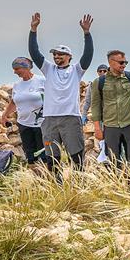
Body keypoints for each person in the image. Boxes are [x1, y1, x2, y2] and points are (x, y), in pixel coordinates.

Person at [28, 12, 94, 168]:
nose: (56, 56)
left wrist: (87, 33)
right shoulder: (48, 69)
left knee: (76, 155)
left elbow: (88, 55)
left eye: (60, 54)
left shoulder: (76, 70)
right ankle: (55, 182)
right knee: (52, 157)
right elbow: (34, 53)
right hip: (50, 118)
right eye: (55, 54)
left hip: (70, 117)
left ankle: (78, 181)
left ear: (69, 56)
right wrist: (33, 30)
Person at [89, 50, 130, 170]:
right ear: (111, 62)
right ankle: (116, 182)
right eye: (121, 62)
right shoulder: (99, 82)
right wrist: (97, 128)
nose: (124, 65)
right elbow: (95, 105)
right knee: (113, 161)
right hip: (110, 126)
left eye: (125, 62)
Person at [0, 57, 46, 167]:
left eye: (17, 69)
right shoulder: (17, 85)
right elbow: (14, 102)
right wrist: (5, 115)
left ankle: (48, 176)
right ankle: (35, 176)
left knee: (45, 155)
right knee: (31, 157)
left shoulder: (42, 80)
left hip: (42, 124)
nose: (14, 72)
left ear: (26, 67)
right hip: (24, 125)